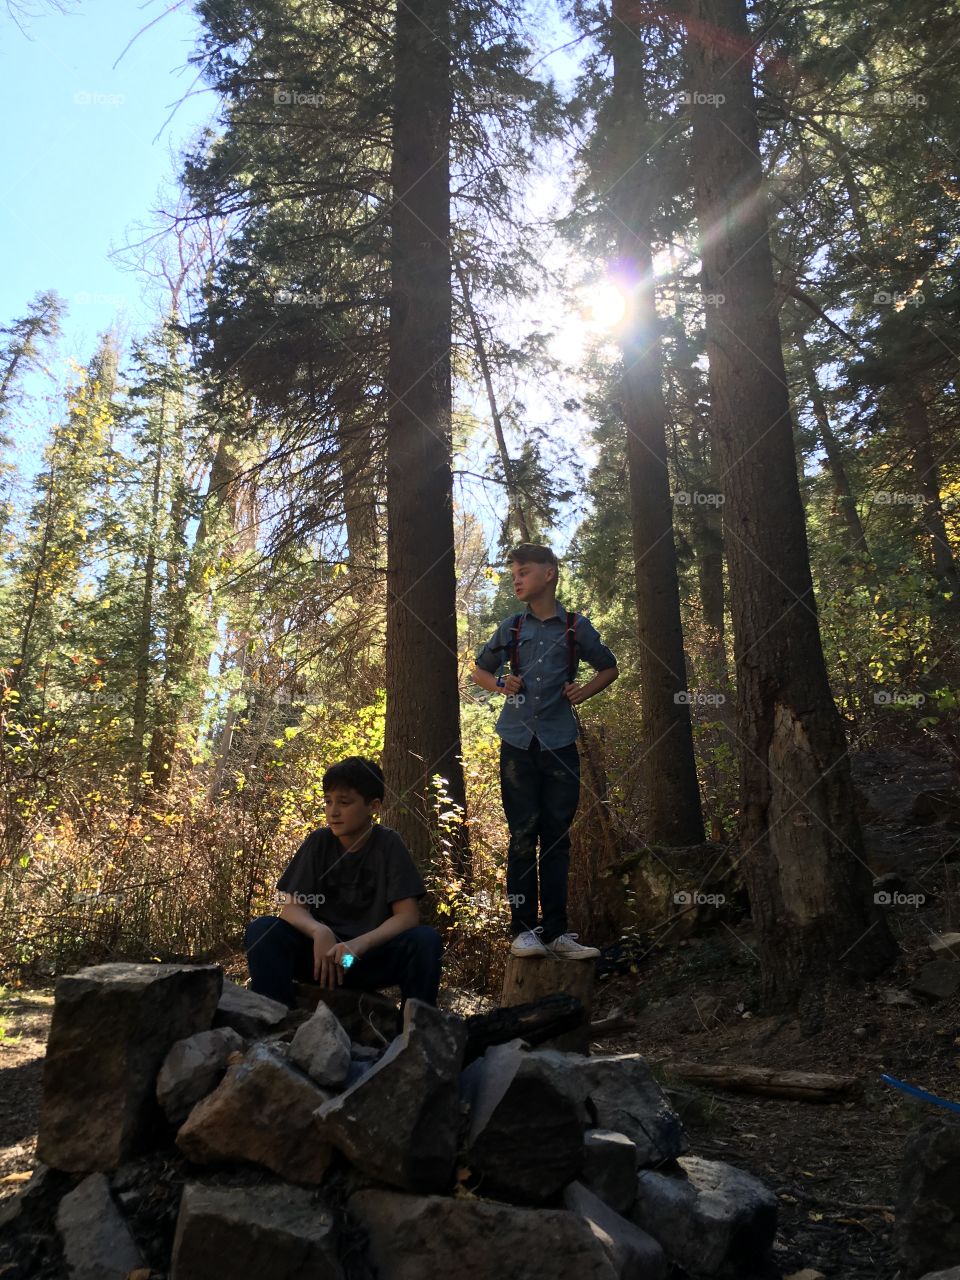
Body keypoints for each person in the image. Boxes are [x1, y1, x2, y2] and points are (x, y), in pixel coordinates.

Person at [471, 543, 618, 960]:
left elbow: (609, 667)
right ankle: (522, 932)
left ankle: (557, 933)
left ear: (549, 574)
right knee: (521, 836)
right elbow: (480, 670)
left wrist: (582, 692)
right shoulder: (511, 627)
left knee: (557, 839)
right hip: (516, 743)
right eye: (513, 572)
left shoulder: (575, 627)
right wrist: (501, 684)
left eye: (524, 571)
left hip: (560, 744)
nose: (516, 578)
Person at [244, 756, 442, 1013]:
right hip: (321, 960)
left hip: (361, 960)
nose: (333, 811)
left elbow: (407, 917)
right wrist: (318, 931)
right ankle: (276, 1023)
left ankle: (417, 1031)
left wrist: (359, 945)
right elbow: (290, 908)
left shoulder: (389, 844)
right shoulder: (319, 842)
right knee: (263, 930)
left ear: (373, 806)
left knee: (426, 940)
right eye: (328, 801)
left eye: (344, 803)